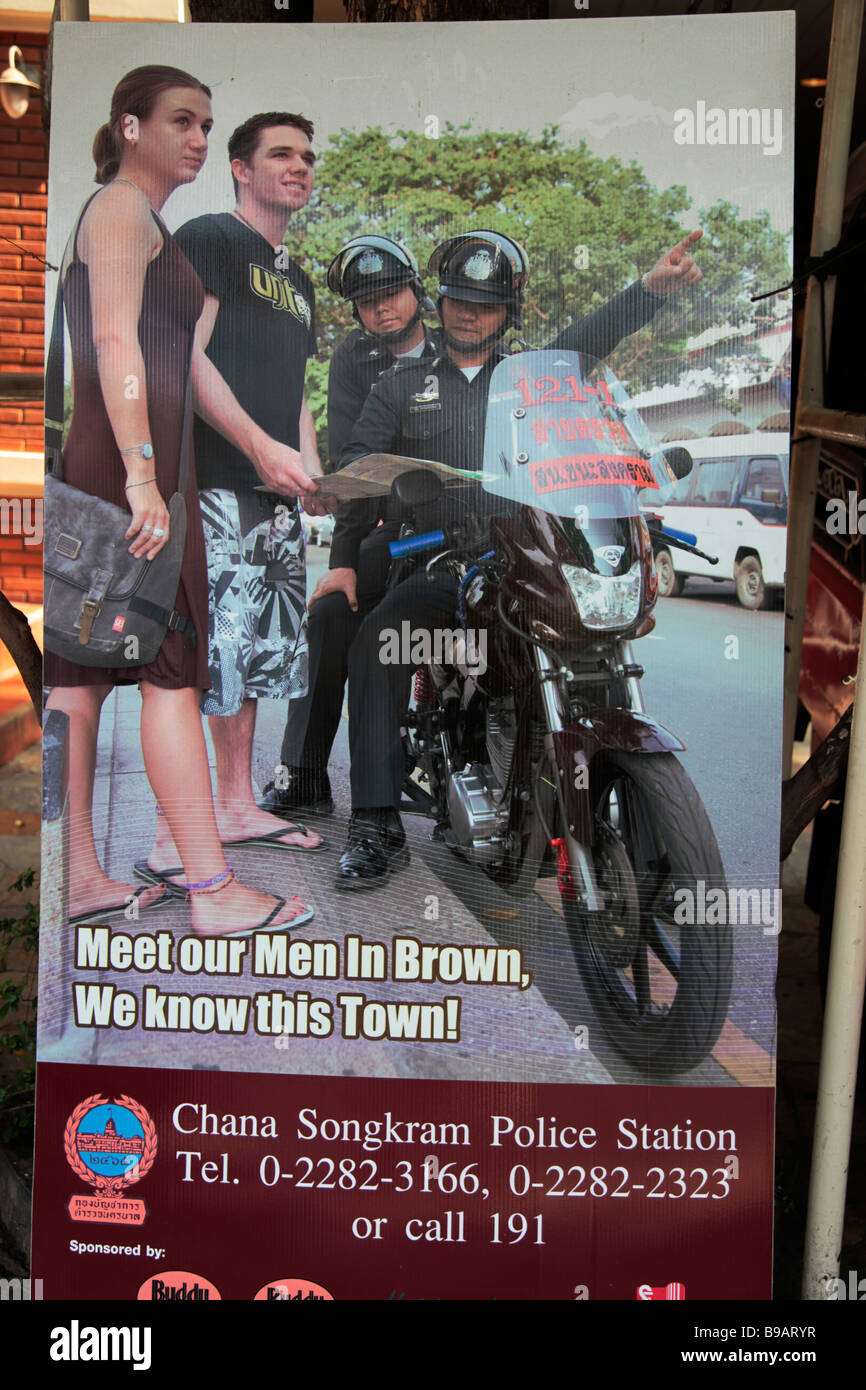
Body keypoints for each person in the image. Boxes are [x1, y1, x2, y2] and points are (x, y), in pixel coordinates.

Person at [328, 227, 703, 890]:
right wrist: (348, 549)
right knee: (379, 640)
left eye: (487, 303)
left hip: (534, 554)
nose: (469, 313)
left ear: (509, 313)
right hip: (447, 564)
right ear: (437, 302)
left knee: (599, 654)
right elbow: (358, 471)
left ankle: (655, 856)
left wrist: (648, 292)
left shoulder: (540, 380)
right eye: (457, 300)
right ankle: (377, 822)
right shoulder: (399, 386)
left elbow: (592, 341)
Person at [43, 66, 320, 936]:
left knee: (83, 680)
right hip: (125, 475)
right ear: (130, 126)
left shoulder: (150, 224)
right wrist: (138, 475)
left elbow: (187, 364)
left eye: (207, 123)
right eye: (183, 121)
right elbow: (112, 338)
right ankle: (211, 893)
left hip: (131, 473)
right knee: (166, 672)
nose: (200, 137)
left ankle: (82, 877)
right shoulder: (122, 209)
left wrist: (269, 449)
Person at [140, 111, 332, 894]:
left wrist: (310, 469)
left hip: (273, 495)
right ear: (241, 170)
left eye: (308, 156)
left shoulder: (298, 278)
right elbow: (182, 358)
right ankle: (169, 833)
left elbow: (296, 393)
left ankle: (235, 803)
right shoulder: (212, 239)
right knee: (202, 655)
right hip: (213, 483)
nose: (300, 166)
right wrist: (258, 447)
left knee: (254, 657)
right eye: (281, 153)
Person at [260, 234, 441, 820]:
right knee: (331, 615)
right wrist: (342, 560)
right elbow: (353, 466)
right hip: (395, 530)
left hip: (471, 530)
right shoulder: (352, 360)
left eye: (392, 294)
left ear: (416, 291)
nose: (382, 309)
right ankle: (306, 774)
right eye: (368, 302)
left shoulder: (462, 345)